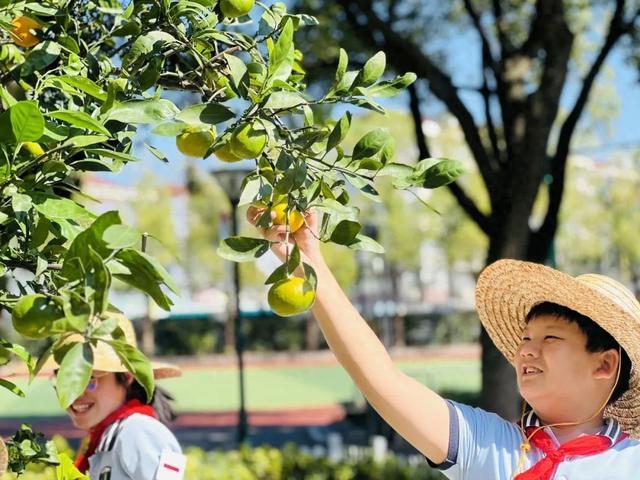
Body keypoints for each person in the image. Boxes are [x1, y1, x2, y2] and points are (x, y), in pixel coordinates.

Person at [250, 208, 640, 479]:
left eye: (550, 338)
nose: (526, 350)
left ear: (604, 365)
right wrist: (311, 264)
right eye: (525, 338)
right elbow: (383, 381)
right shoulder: (490, 445)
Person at [56, 313, 186, 480]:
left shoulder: (138, 431)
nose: (75, 393)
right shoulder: (105, 437)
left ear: (126, 376)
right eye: (65, 382)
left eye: (90, 380)